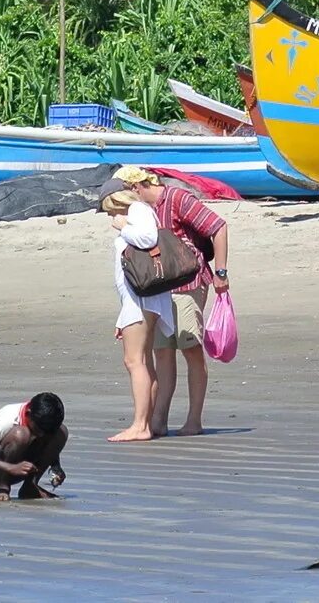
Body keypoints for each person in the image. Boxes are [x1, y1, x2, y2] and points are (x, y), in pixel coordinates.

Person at [112, 166, 230, 438]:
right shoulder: (142, 213)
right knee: (162, 353)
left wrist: (221, 272)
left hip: (189, 284)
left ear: (136, 187)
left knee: (190, 350)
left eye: (124, 194)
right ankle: (159, 421)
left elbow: (218, 227)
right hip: (160, 289)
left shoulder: (177, 199)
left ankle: (194, 420)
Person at [101, 188, 174, 442]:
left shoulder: (137, 211)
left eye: (109, 208)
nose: (110, 215)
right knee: (143, 361)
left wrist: (123, 226)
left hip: (142, 299)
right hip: (139, 300)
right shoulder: (138, 212)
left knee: (134, 361)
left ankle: (140, 425)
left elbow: (147, 238)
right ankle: (148, 423)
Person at [0, 392, 67, 499]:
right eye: (39, 430)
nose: (42, 435)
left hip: (22, 467)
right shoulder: (8, 417)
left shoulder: (42, 425)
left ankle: (30, 486)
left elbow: (48, 439)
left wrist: (56, 466)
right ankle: (3, 487)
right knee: (21, 434)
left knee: (61, 432)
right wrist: (11, 468)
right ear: (28, 413)